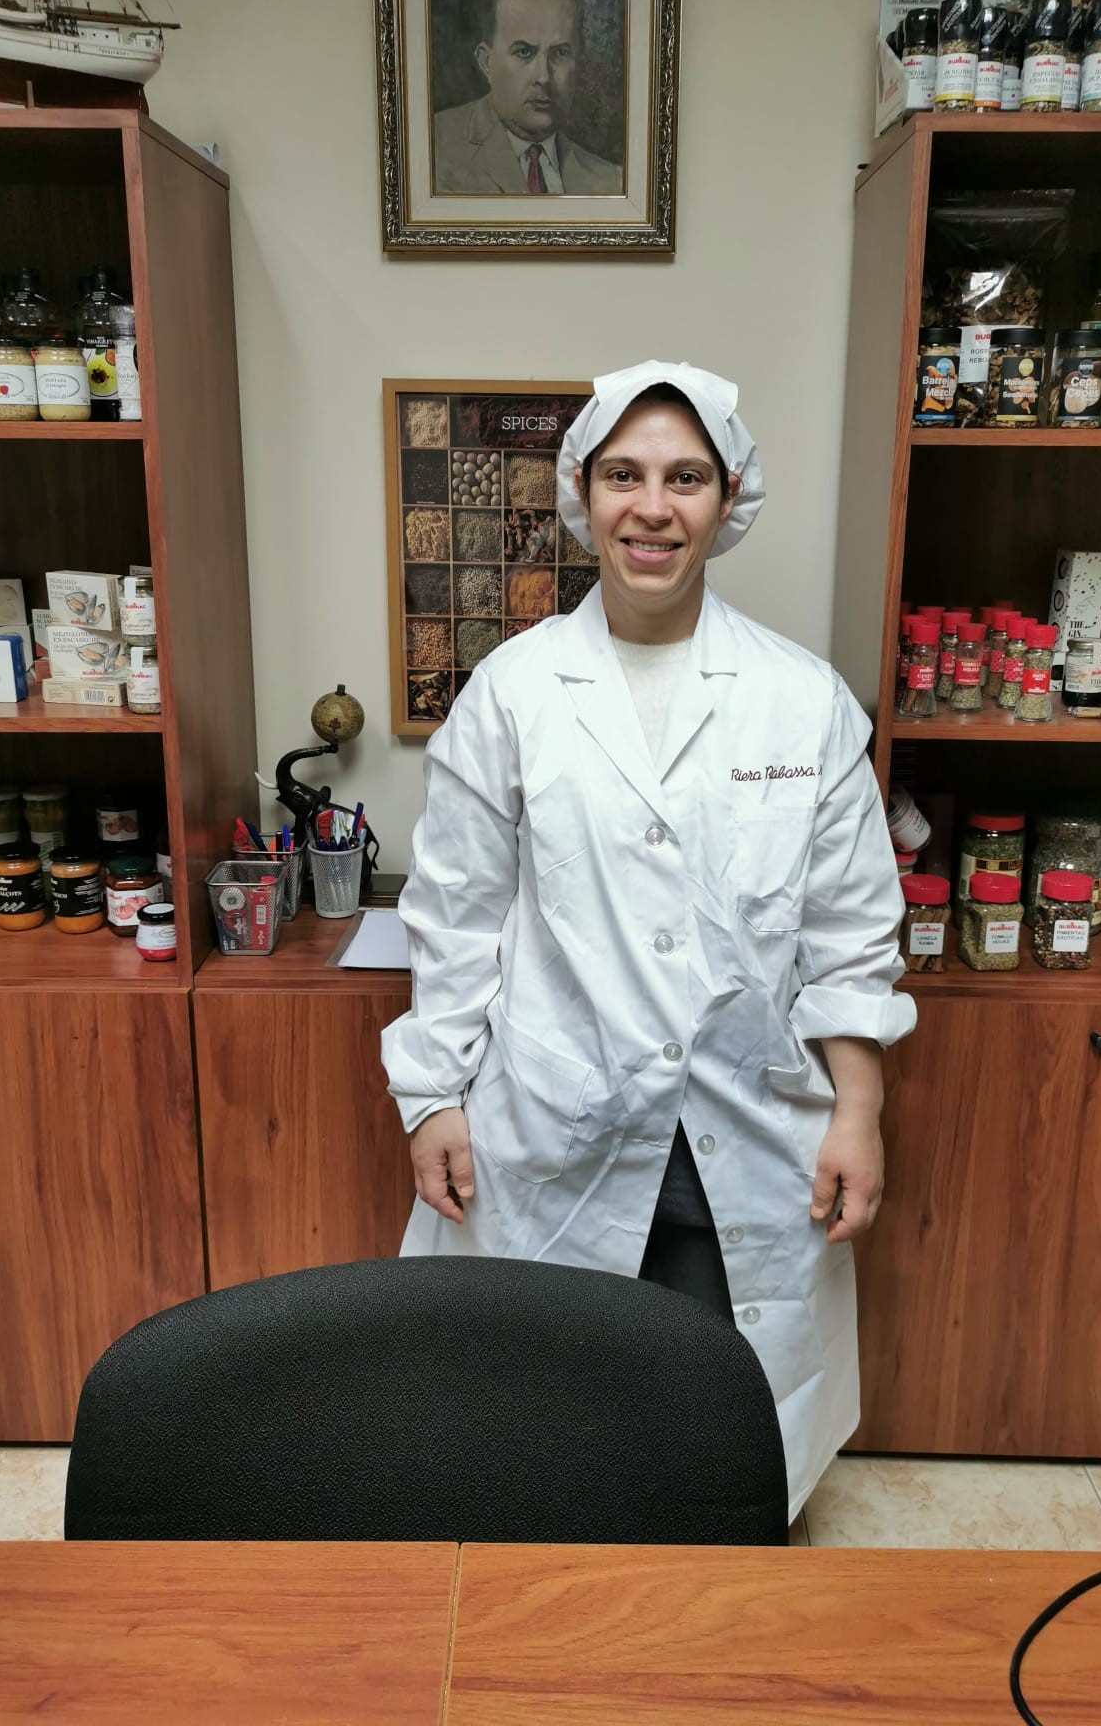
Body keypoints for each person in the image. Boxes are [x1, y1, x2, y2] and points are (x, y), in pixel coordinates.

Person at [381, 360, 916, 1520]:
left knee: (728, 1433)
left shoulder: (802, 699)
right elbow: (456, 915)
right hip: (558, 1123)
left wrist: (860, 1112)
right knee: (557, 1427)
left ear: (729, 500)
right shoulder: (514, 693)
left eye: (686, 478)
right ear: (582, 493)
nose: (653, 507)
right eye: (624, 475)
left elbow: (850, 931)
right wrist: (431, 1098)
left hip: (752, 1129)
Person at [432, 0, 623, 196]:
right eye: (524, 52)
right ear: (486, 62)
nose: (543, 76)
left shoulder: (611, 181)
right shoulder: (431, 149)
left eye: (560, 53)